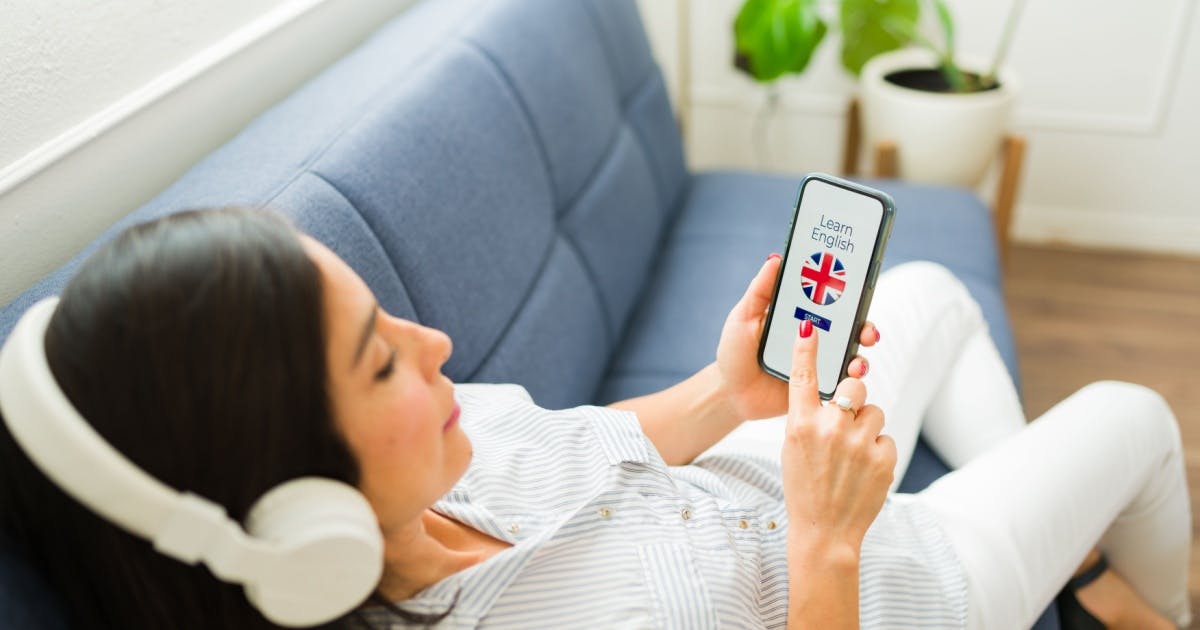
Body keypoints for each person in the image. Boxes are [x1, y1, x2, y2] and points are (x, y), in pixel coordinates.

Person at [0, 207, 1189, 629]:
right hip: (886, 580)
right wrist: (832, 538)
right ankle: (1135, 604)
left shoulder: (440, 457)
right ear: (294, 507)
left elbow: (594, 445)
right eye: (381, 365)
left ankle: (1065, 557)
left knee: (920, 294)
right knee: (1134, 418)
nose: (438, 349)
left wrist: (727, 390)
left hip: (744, 486)